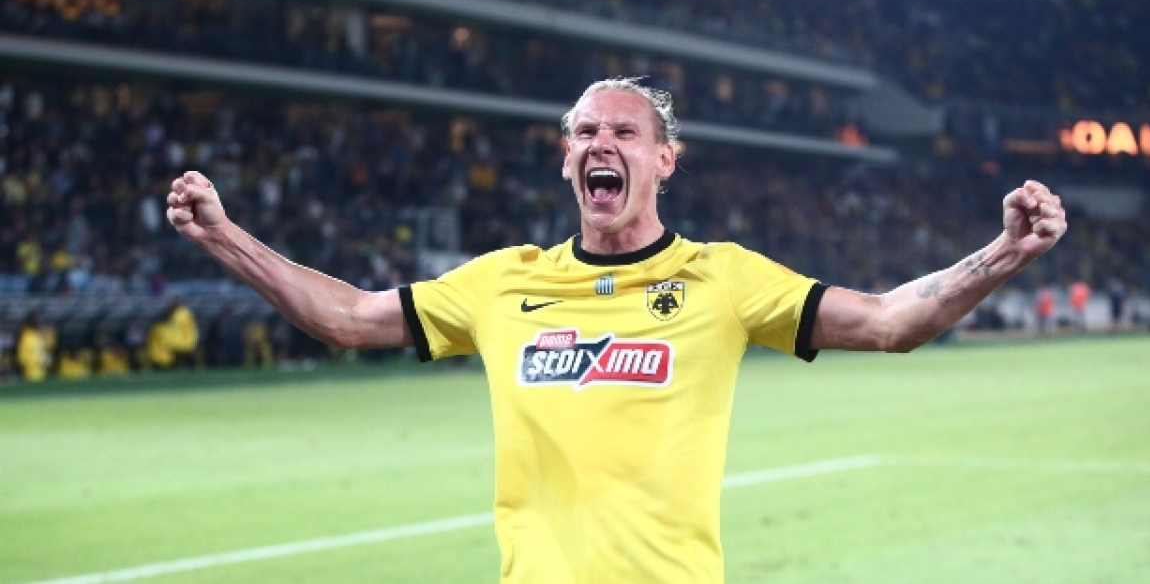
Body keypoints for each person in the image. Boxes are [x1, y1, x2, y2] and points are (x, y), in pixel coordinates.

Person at [166, 78, 1068, 584]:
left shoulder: (721, 278)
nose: (602, 142)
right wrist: (225, 237)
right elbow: (349, 317)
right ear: (568, 159)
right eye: (585, 131)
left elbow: (889, 322)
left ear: (663, 160)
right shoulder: (503, 282)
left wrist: (1004, 253)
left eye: (625, 132)